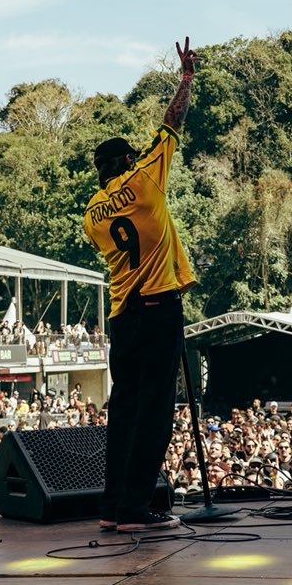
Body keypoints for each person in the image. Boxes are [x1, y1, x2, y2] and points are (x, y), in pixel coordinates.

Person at [83, 36, 200, 533]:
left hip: (120, 316)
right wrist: (186, 78)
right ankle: (135, 510)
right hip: (158, 307)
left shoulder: (91, 213)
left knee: (124, 410)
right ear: (129, 159)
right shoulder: (147, 177)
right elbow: (171, 123)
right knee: (154, 411)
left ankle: (112, 507)